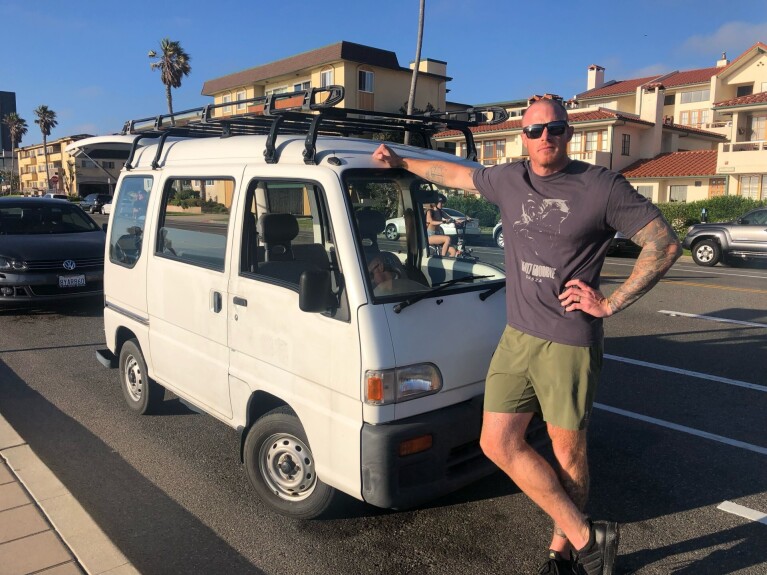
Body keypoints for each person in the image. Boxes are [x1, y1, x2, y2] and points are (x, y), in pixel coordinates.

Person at [372, 97, 681, 575]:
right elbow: (455, 175)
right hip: (518, 335)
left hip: (568, 340)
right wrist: (402, 161)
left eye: (554, 129)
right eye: (535, 131)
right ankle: (587, 536)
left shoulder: (600, 186)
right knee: (497, 443)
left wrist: (612, 303)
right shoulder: (509, 179)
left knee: (567, 452)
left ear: (569, 133)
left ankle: (563, 555)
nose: (545, 138)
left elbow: (663, 242)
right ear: (523, 135)